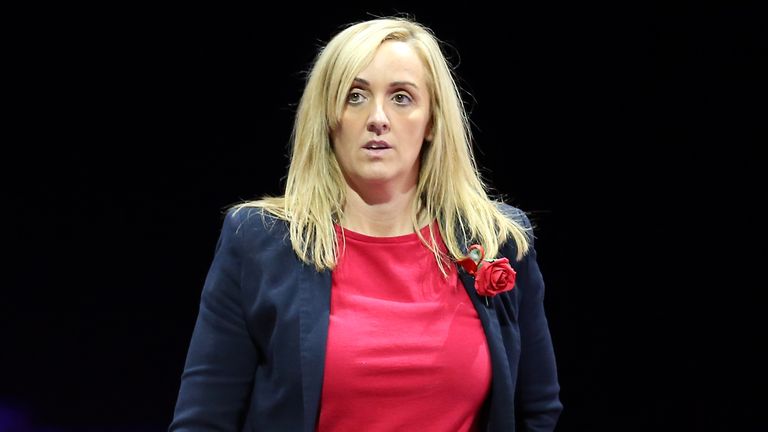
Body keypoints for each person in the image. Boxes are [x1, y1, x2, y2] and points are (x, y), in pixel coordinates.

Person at [169, 16, 562, 432]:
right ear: (328, 117)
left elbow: (536, 410)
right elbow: (204, 420)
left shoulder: (498, 242)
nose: (378, 117)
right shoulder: (259, 240)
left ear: (431, 122)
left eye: (402, 97)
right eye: (354, 96)